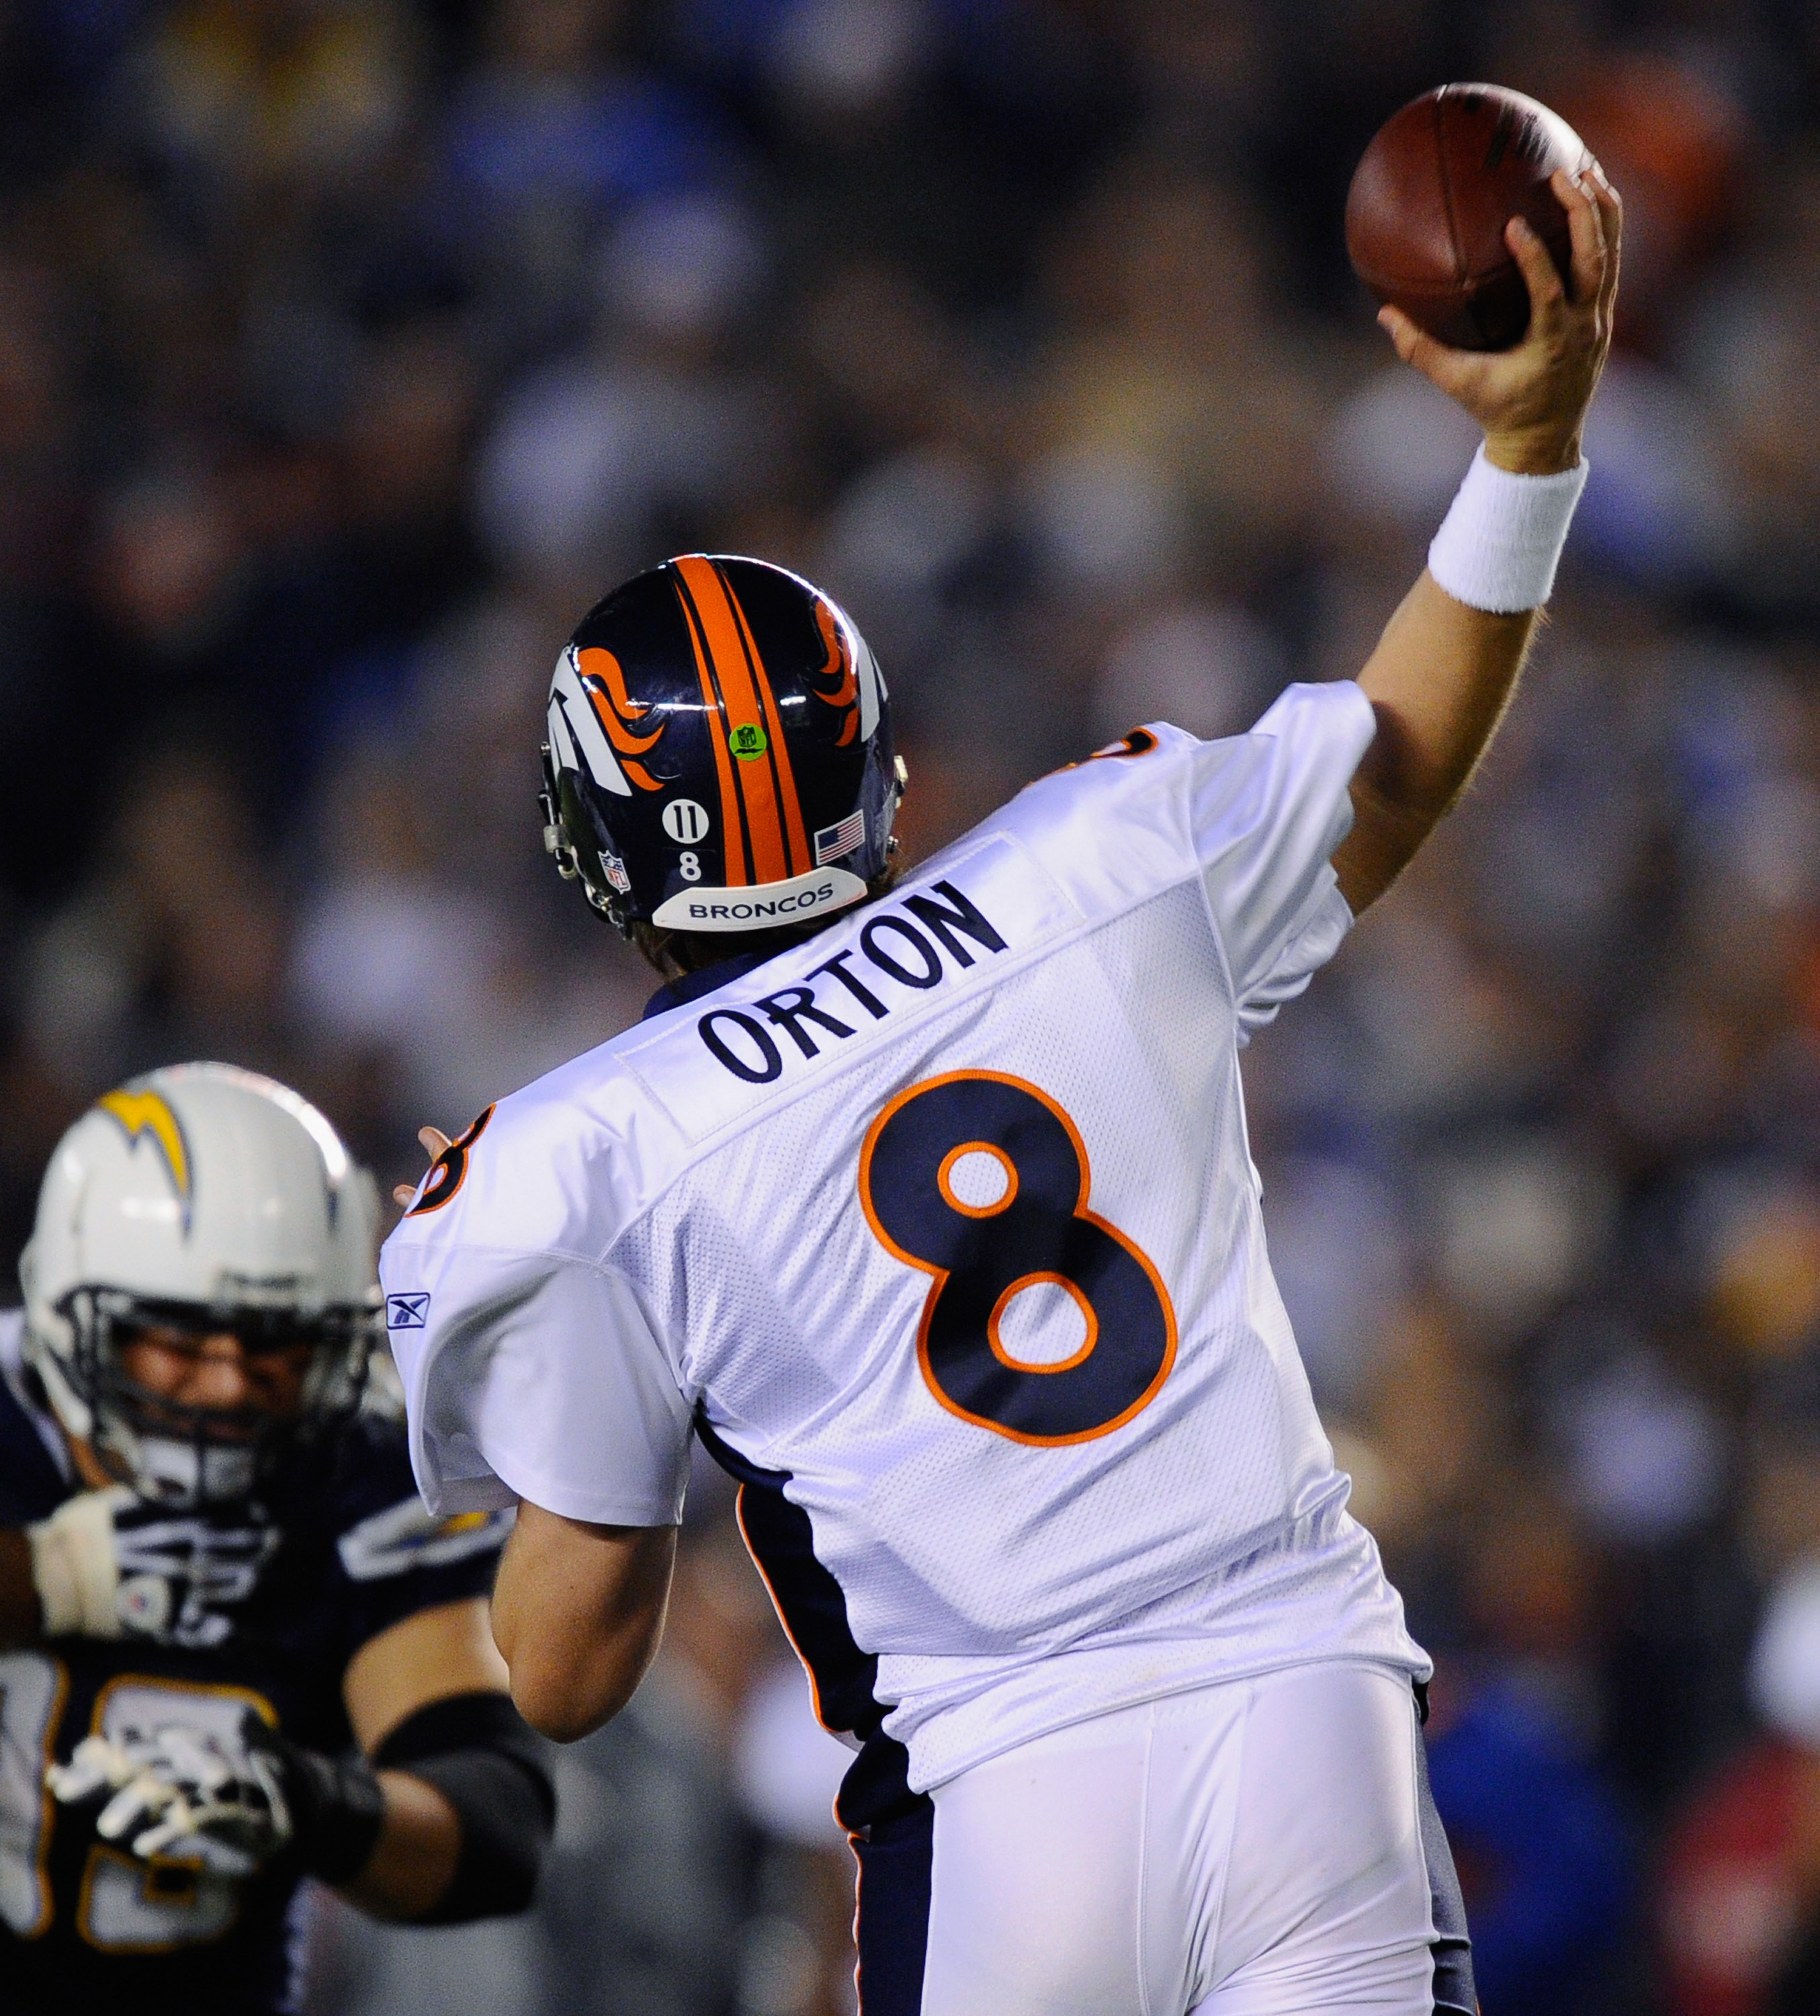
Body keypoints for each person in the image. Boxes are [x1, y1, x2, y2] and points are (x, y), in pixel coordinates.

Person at [383, 165, 1622, 2016]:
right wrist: (1527, 450)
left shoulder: (581, 1159)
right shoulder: (1091, 862)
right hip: (1304, 1710)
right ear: (872, 761)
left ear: (593, 848)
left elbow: (562, 1672)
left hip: (1003, 1796)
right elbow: (1399, 757)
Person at [0, 1062, 554, 2016]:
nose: (226, 1386)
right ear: (64, 1312)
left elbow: (489, 1829)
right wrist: (49, 1577)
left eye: (274, 1346)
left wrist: (309, 1805)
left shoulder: (360, 1479)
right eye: (178, 1342)